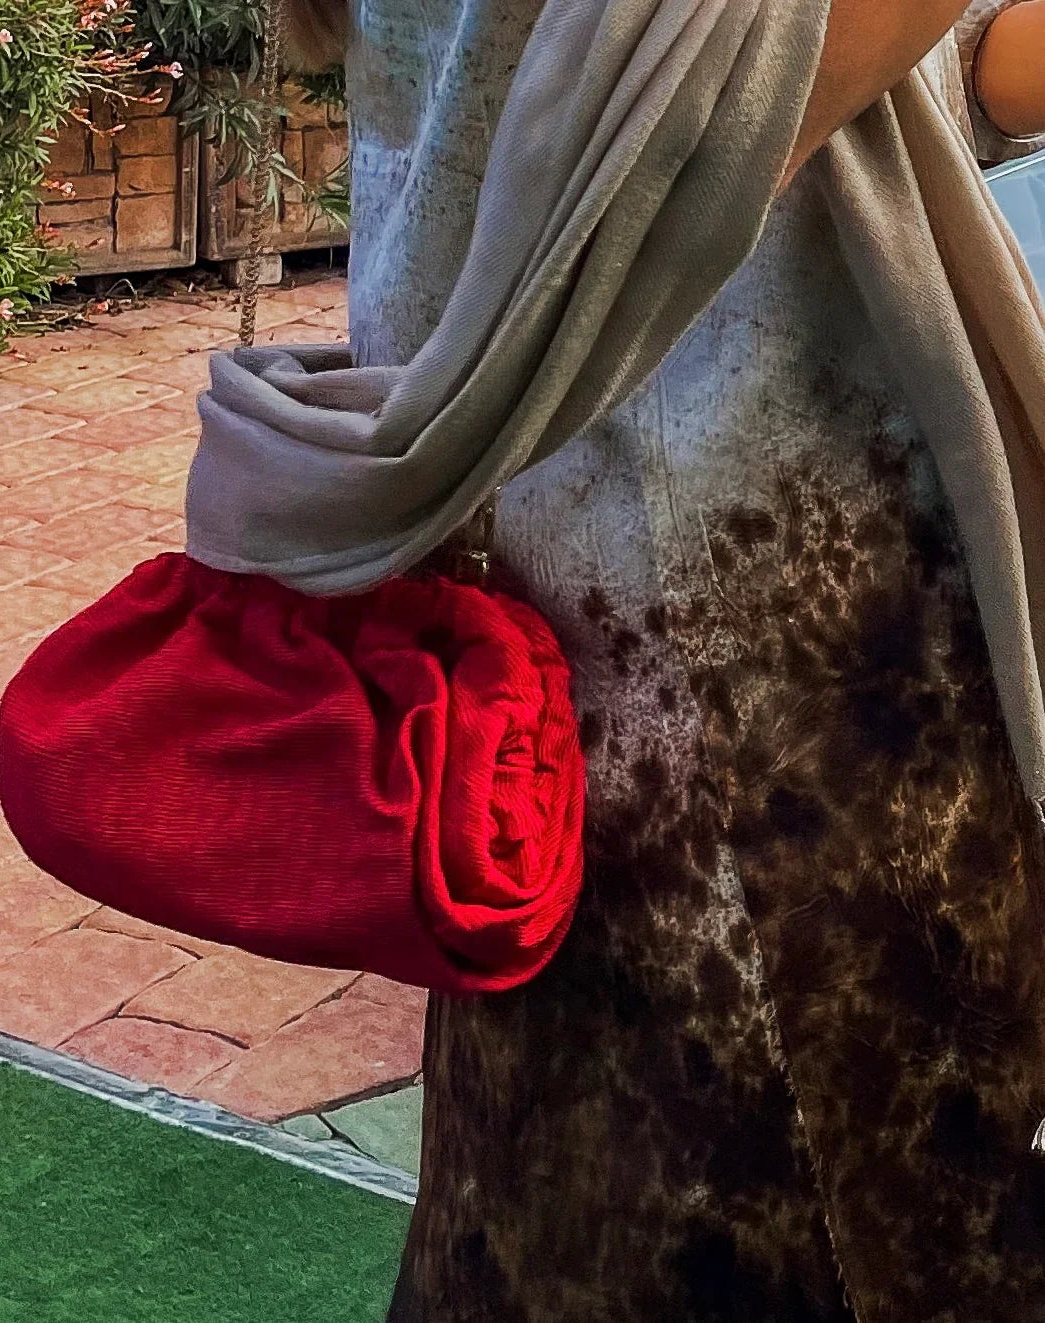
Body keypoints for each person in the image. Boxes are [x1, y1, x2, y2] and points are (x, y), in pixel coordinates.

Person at [278, 1, 1045, 1317]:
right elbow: (738, 108)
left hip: (606, 629)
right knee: (774, 1203)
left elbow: (917, 85)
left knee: (563, 1181)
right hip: (758, 680)